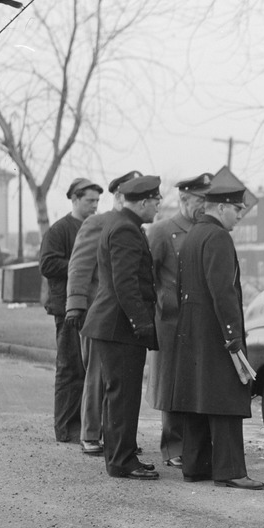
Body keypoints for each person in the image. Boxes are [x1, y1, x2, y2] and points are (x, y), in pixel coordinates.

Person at [163, 170, 264, 490]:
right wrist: (234, 337)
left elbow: (182, 287)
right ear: (221, 207)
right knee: (226, 401)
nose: (239, 218)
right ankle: (231, 470)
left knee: (198, 400)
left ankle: (195, 466)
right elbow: (224, 292)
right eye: (237, 210)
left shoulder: (193, 234)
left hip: (192, 332)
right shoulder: (219, 237)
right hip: (217, 334)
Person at [81, 175, 162, 480]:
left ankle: (120, 457)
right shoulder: (126, 229)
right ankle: (122, 461)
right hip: (119, 327)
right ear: (143, 202)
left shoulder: (120, 223)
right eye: (156, 202)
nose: (157, 207)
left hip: (112, 324)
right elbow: (125, 284)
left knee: (118, 394)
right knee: (123, 396)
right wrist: (142, 324)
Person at [65, 170, 143, 455]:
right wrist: (75, 304)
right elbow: (81, 265)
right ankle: (90, 434)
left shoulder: (133, 226)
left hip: (122, 316)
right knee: (97, 375)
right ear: (118, 196)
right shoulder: (98, 223)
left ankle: (114, 437)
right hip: (100, 313)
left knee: (117, 380)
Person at [145, 172, 213, 468]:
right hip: (171, 321)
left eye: (208, 201)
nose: (204, 206)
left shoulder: (208, 230)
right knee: (171, 386)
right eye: (200, 200)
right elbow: (146, 277)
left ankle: (196, 447)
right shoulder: (161, 231)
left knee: (195, 383)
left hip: (199, 321)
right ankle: (173, 447)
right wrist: (162, 303)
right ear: (184, 199)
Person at [39, 177, 103, 443]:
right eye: (90, 201)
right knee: (69, 368)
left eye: (98, 201)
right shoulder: (59, 230)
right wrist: (82, 264)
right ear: (75, 199)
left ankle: (86, 427)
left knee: (88, 370)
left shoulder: (95, 227)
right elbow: (47, 264)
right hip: (66, 309)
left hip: (91, 306)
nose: (95, 206)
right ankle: (66, 429)